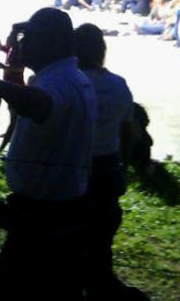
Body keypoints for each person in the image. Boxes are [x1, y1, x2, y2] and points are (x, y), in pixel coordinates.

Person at [0, 7, 96, 299]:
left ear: (52, 43)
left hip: (44, 218)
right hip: (53, 211)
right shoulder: (69, 77)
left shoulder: (58, 81)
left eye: (30, 38)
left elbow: (42, 106)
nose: (23, 44)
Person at [73, 23, 144, 300]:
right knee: (101, 237)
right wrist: (122, 165)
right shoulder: (118, 85)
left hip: (75, 169)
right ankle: (99, 284)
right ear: (102, 50)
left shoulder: (72, 84)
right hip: (107, 166)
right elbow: (126, 133)